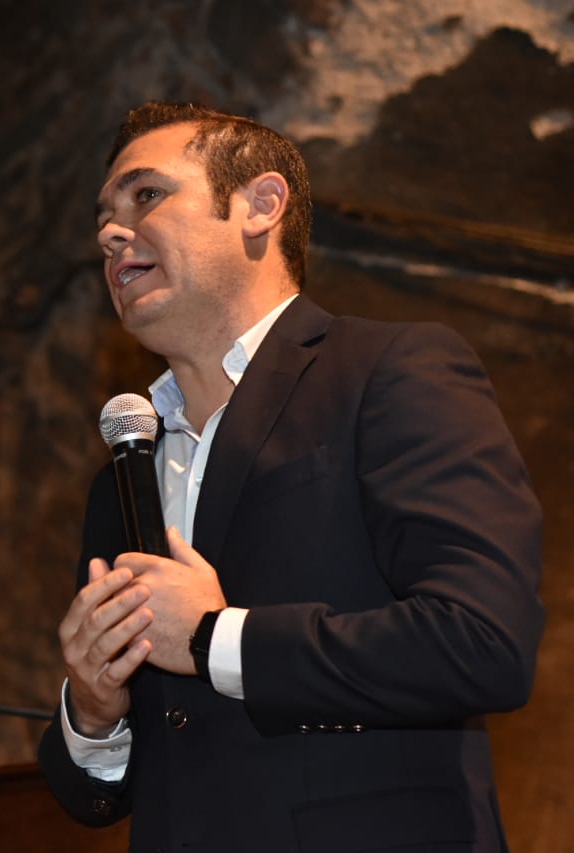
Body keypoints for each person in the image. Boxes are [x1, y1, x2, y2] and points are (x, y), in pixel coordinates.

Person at [36, 101, 544, 853]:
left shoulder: (387, 372)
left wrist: (213, 636)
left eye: (146, 195)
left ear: (260, 206)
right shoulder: (122, 473)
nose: (111, 232)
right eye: (104, 217)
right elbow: (102, 796)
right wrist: (93, 709)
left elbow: (481, 642)